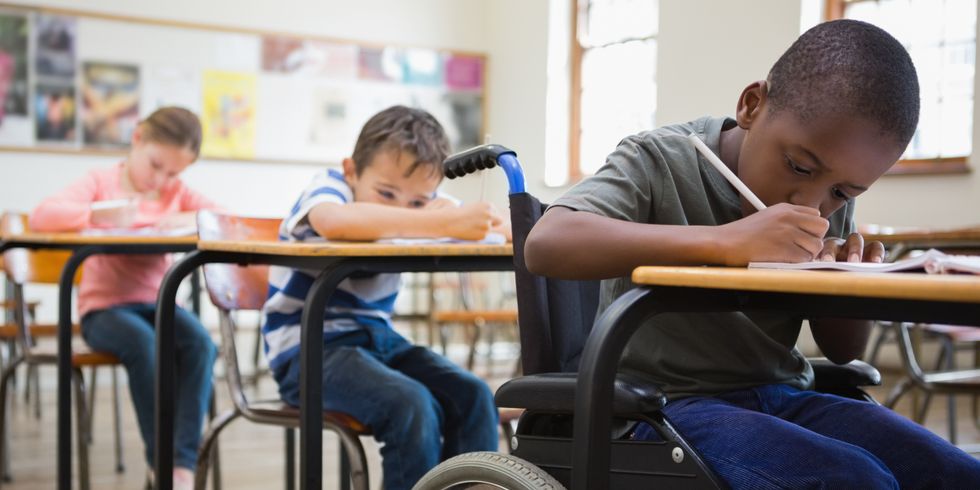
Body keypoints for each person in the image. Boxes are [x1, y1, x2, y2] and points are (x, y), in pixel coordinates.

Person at [524, 19, 980, 489]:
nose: (811, 203)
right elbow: (547, 243)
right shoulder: (661, 159)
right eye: (798, 166)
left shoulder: (826, 205)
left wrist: (848, 283)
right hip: (661, 407)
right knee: (854, 480)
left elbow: (844, 351)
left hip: (785, 395)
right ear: (752, 105)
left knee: (958, 475)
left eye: (842, 191)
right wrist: (726, 242)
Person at [262, 105, 505, 490]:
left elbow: (496, 228)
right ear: (351, 170)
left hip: (379, 342)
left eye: (416, 202)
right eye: (385, 193)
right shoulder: (329, 188)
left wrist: (479, 221)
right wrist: (435, 220)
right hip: (307, 352)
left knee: (474, 396)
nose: (400, 210)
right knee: (410, 404)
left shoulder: (431, 206)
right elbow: (334, 221)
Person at [30, 106, 218, 490]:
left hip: (159, 305)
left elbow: (224, 216)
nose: (162, 180)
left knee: (200, 343)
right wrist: (101, 215)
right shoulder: (102, 182)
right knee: (145, 346)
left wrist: (187, 219)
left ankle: (181, 467)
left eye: (175, 173)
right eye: (156, 165)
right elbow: (42, 216)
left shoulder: (176, 193)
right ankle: (161, 464)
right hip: (105, 311)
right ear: (136, 139)